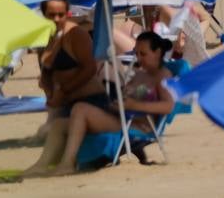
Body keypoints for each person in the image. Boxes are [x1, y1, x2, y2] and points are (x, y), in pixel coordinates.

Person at [28, 32, 177, 177]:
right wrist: (121, 98)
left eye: (143, 54)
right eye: (137, 54)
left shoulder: (162, 76)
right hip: (121, 117)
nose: (138, 58)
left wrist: (134, 105)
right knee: (59, 124)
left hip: (138, 126)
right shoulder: (139, 74)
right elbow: (129, 96)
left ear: (157, 52)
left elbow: (168, 106)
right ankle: (41, 165)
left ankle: (68, 163)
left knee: (81, 109)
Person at [25, 0, 105, 176]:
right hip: (66, 103)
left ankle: (62, 165)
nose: (56, 19)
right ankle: (41, 166)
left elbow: (89, 68)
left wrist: (65, 89)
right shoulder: (47, 38)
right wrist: (50, 91)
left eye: (61, 14)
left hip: (91, 100)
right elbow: (47, 72)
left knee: (57, 126)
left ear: (68, 13)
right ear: (44, 15)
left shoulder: (76, 34)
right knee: (52, 129)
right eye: (51, 15)